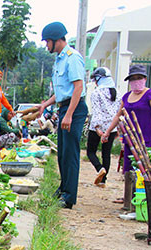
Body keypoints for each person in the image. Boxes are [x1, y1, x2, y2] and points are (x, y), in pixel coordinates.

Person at [38, 22, 88, 209]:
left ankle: (69, 197)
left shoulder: (72, 57)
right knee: (63, 154)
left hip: (74, 109)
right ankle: (63, 188)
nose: (46, 45)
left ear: (56, 39)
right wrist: (45, 104)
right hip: (65, 108)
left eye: (47, 42)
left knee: (71, 154)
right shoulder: (59, 59)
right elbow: (61, 92)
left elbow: (78, 87)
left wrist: (69, 115)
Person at [101, 65, 151, 200]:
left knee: (144, 167)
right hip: (129, 139)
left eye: (139, 78)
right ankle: (128, 196)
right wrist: (107, 131)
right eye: (133, 79)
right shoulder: (126, 97)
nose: (136, 81)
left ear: (145, 79)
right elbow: (118, 116)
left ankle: (143, 196)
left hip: (145, 138)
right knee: (129, 168)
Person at [87, 67, 120, 188]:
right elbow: (118, 112)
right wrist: (115, 128)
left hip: (98, 126)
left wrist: (97, 128)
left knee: (91, 151)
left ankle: (100, 169)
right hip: (111, 127)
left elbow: (97, 112)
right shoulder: (117, 92)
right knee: (106, 154)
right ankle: (103, 181)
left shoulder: (96, 93)